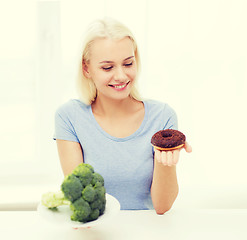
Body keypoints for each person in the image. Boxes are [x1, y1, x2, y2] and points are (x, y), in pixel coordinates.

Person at [53, 17, 192, 214]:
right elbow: (80, 199)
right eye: (107, 67)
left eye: (128, 64)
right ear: (86, 68)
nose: (120, 76)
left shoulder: (162, 116)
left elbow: (162, 206)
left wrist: (166, 159)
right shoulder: (69, 117)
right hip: (96, 230)